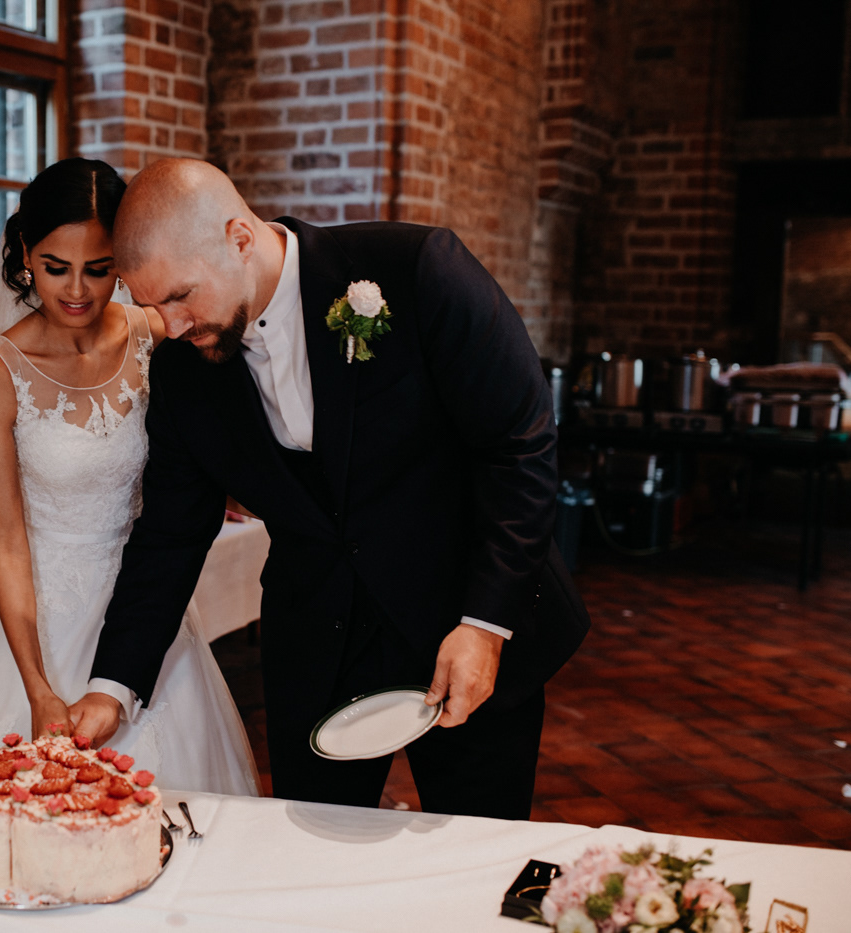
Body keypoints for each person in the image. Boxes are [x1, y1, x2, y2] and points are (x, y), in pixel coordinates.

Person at [68, 159, 589, 818]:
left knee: (476, 845)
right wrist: (113, 684)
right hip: (318, 644)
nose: (170, 326)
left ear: (239, 238)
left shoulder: (418, 271)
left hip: (462, 621)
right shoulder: (183, 371)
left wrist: (484, 626)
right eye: (151, 306)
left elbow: (519, 448)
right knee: (308, 851)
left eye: (181, 296)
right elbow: (169, 532)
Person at [0, 158, 260, 797]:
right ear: (25, 256)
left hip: (142, 605)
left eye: (99, 268)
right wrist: (37, 687)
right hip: (37, 619)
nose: (77, 291)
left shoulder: (155, 334)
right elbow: (7, 543)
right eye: (55, 267)